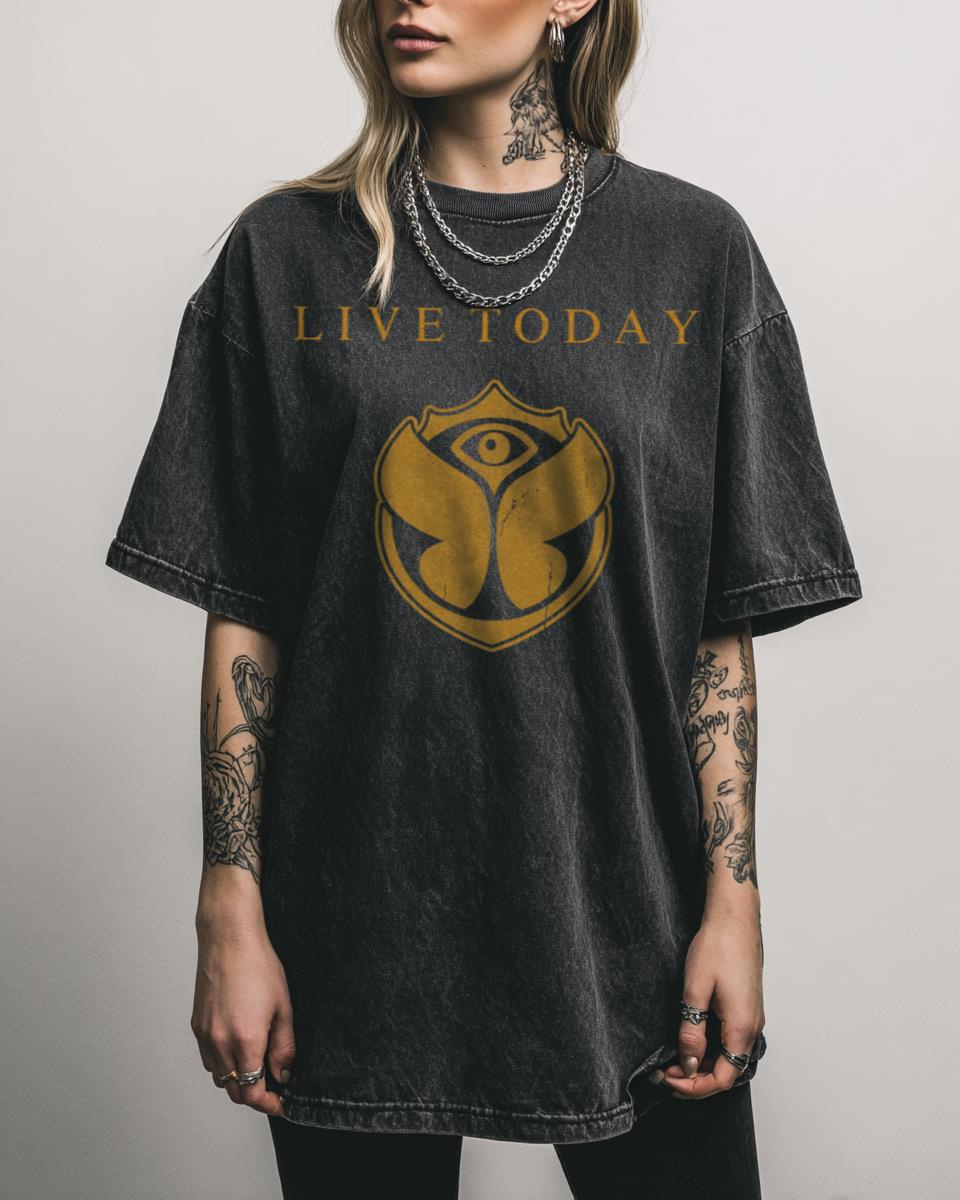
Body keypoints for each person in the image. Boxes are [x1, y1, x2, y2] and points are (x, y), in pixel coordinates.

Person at [104, 1, 863, 1196]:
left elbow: (715, 631)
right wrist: (229, 905)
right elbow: (246, 609)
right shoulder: (284, 255)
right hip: (352, 921)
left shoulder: (693, 252)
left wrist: (734, 901)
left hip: (631, 914)